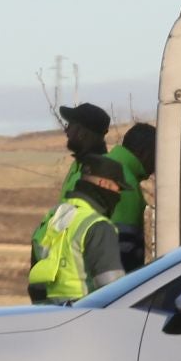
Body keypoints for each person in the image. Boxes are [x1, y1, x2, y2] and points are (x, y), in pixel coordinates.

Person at [28, 154, 127, 306]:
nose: (119, 194)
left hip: (45, 318)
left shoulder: (51, 218)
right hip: (85, 318)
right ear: (104, 184)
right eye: (118, 188)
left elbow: (36, 282)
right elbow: (114, 292)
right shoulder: (98, 226)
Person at [30, 102, 114, 256]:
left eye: (71, 125)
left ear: (82, 132)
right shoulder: (79, 166)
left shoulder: (98, 172)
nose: (66, 130)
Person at [108, 122, 155, 272]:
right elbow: (124, 253)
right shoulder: (126, 185)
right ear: (145, 153)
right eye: (156, 156)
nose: (155, 166)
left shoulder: (97, 165)